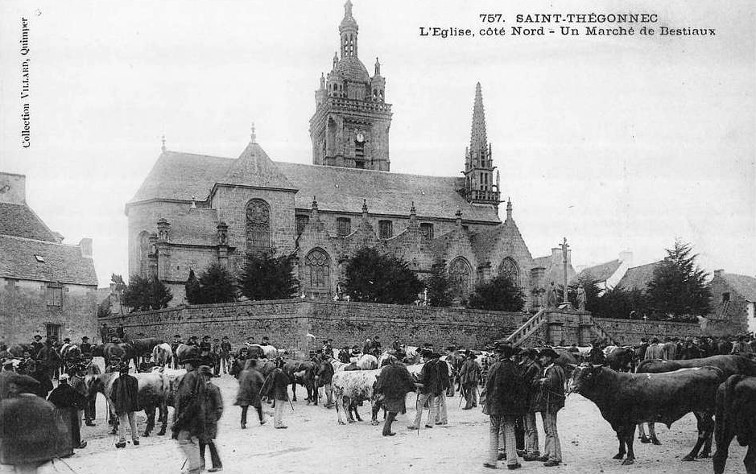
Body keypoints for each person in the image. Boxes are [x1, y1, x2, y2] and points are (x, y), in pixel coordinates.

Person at [0, 373, 72, 473]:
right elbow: (61, 429)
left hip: (15, 451)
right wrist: (62, 449)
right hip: (41, 451)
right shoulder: (46, 405)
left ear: (17, 388)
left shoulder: (6, 406)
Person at [484, 344, 526, 470]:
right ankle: (512, 461)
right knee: (510, 430)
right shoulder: (514, 368)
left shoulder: (494, 367)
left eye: (498, 352)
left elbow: (488, 385)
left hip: (495, 404)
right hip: (510, 405)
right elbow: (520, 387)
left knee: (494, 431)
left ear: (501, 354)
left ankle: (492, 460)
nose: (496, 354)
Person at [173, 347, 207, 474]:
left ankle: (195, 467)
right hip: (198, 414)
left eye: (186, 363)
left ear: (190, 364)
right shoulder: (200, 376)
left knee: (183, 439)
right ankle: (197, 464)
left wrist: (180, 418)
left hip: (188, 415)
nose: (185, 365)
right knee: (192, 440)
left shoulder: (189, 377)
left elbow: (184, 397)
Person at [532, 348, 565, 467]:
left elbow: (550, 383)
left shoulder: (554, 369)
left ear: (549, 358)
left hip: (551, 402)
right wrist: (541, 380)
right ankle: (548, 453)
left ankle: (554, 456)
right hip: (546, 402)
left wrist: (542, 381)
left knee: (551, 429)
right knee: (548, 429)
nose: (540, 359)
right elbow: (536, 382)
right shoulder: (549, 369)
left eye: (543, 357)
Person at [374, 356, 416, 436]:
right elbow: (409, 380)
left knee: (392, 411)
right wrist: (413, 388)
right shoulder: (401, 369)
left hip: (388, 393)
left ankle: (387, 430)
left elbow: (380, 381)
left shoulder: (385, 369)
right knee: (393, 412)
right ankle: (386, 430)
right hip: (398, 393)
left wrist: (379, 391)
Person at [47, 373, 88, 450]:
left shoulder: (56, 391)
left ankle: (61, 444)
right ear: (67, 380)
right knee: (73, 428)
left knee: (61, 428)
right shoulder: (71, 390)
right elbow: (81, 398)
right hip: (71, 411)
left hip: (59, 412)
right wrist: (80, 406)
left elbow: (49, 401)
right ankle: (75, 443)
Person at [198, 366, 223, 473]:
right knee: (201, 443)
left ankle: (217, 464)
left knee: (209, 442)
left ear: (206, 376)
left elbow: (219, 407)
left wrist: (213, 419)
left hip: (209, 421)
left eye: (202, 376)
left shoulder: (214, 388)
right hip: (201, 420)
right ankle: (200, 465)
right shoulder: (199, 389)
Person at [519, 349, 542, 461]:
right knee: (527, 425)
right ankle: (530, 448)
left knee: (530, 425)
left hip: (530, 399)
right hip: (526, 399)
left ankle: (533, 450)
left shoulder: (533, 367)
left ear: (528, 356)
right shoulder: (530, 366)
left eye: (523, 356)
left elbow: (526, 382)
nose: (522, 358)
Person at [111, 363, 140, 448]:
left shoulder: (117, 381)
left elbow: (113, 395)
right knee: (133, 421)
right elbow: (136, 393)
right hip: (132, 405)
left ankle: (122, 441)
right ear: (127, 371)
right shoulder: (134, 380)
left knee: (122, 423)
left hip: (121, 405)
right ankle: (136, 439)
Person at [235, 358, 266, 429]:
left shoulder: (243, 372)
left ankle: (243, 423)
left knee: (244, 408)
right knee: (258, 407)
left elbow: (239, 381)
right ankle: (261, 420)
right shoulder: (256, 373)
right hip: (253, 393)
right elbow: (262, 383)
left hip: (244, 392)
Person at [260, 358, 290, 429]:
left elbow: (268, 382)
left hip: (276, 392)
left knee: (277, 408)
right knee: (279, 408)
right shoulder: (281, 373)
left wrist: (265, 393)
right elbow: (287, 381)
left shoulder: (273, 372)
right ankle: (278, 423)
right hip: (281, 392)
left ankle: (277, 422)